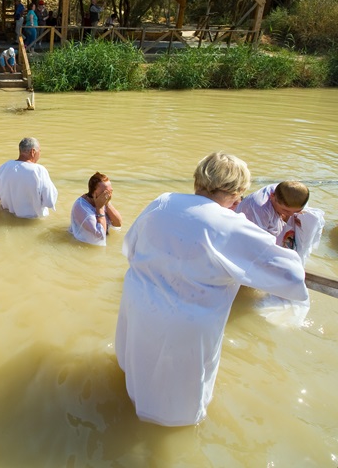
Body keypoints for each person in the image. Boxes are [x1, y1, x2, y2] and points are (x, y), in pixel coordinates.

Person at [115, 152, 308, 427]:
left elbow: (130, 247)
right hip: (188, 321)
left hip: (139, 302)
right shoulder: (230, 225)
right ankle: (168, 429)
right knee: (177, 394)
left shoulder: (163, 201)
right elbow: (289, 274)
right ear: (237, 193)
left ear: (198, 179)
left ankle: (130, 409)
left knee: (139, 363)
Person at [237, 181, 323, 254]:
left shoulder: (294, 194)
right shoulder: (259, 208)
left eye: (296, 211)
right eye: (286, 211)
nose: (291, 215)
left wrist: (302, 219)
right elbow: (256, 244)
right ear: (272, 197)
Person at [0, 137, 58, 219]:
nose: (39, 154)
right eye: (39, 151)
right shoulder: (39, 170)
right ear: (33, 152)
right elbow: (50, 202)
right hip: (32, 221)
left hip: (8, 217)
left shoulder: (4, 167)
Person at [69, 172, 123, 246]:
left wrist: (107, 204)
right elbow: (99, 237)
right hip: (83, 246)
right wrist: (99, 208)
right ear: (94, 193)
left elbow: (118, 224)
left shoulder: (102, 199)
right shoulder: (83, 209)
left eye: (110, 192)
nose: (107, 195)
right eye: (104, 193)